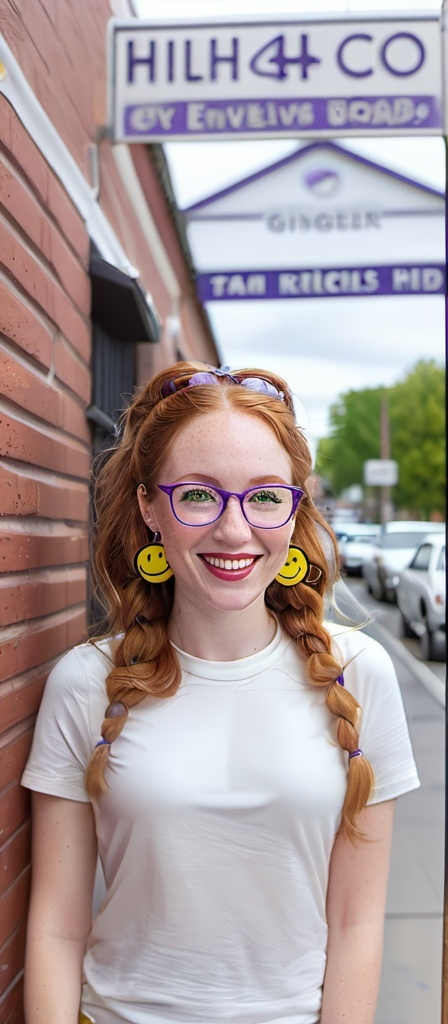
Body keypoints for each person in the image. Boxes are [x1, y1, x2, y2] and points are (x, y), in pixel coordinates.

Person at [22, 362, 419, 1024]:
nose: (234, 531)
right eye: (199, 495)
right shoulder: (84, 684)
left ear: (296, 509)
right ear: (150, 506)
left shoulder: (360, 675)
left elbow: (356, 925)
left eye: (265, 496)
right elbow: (57, 929)